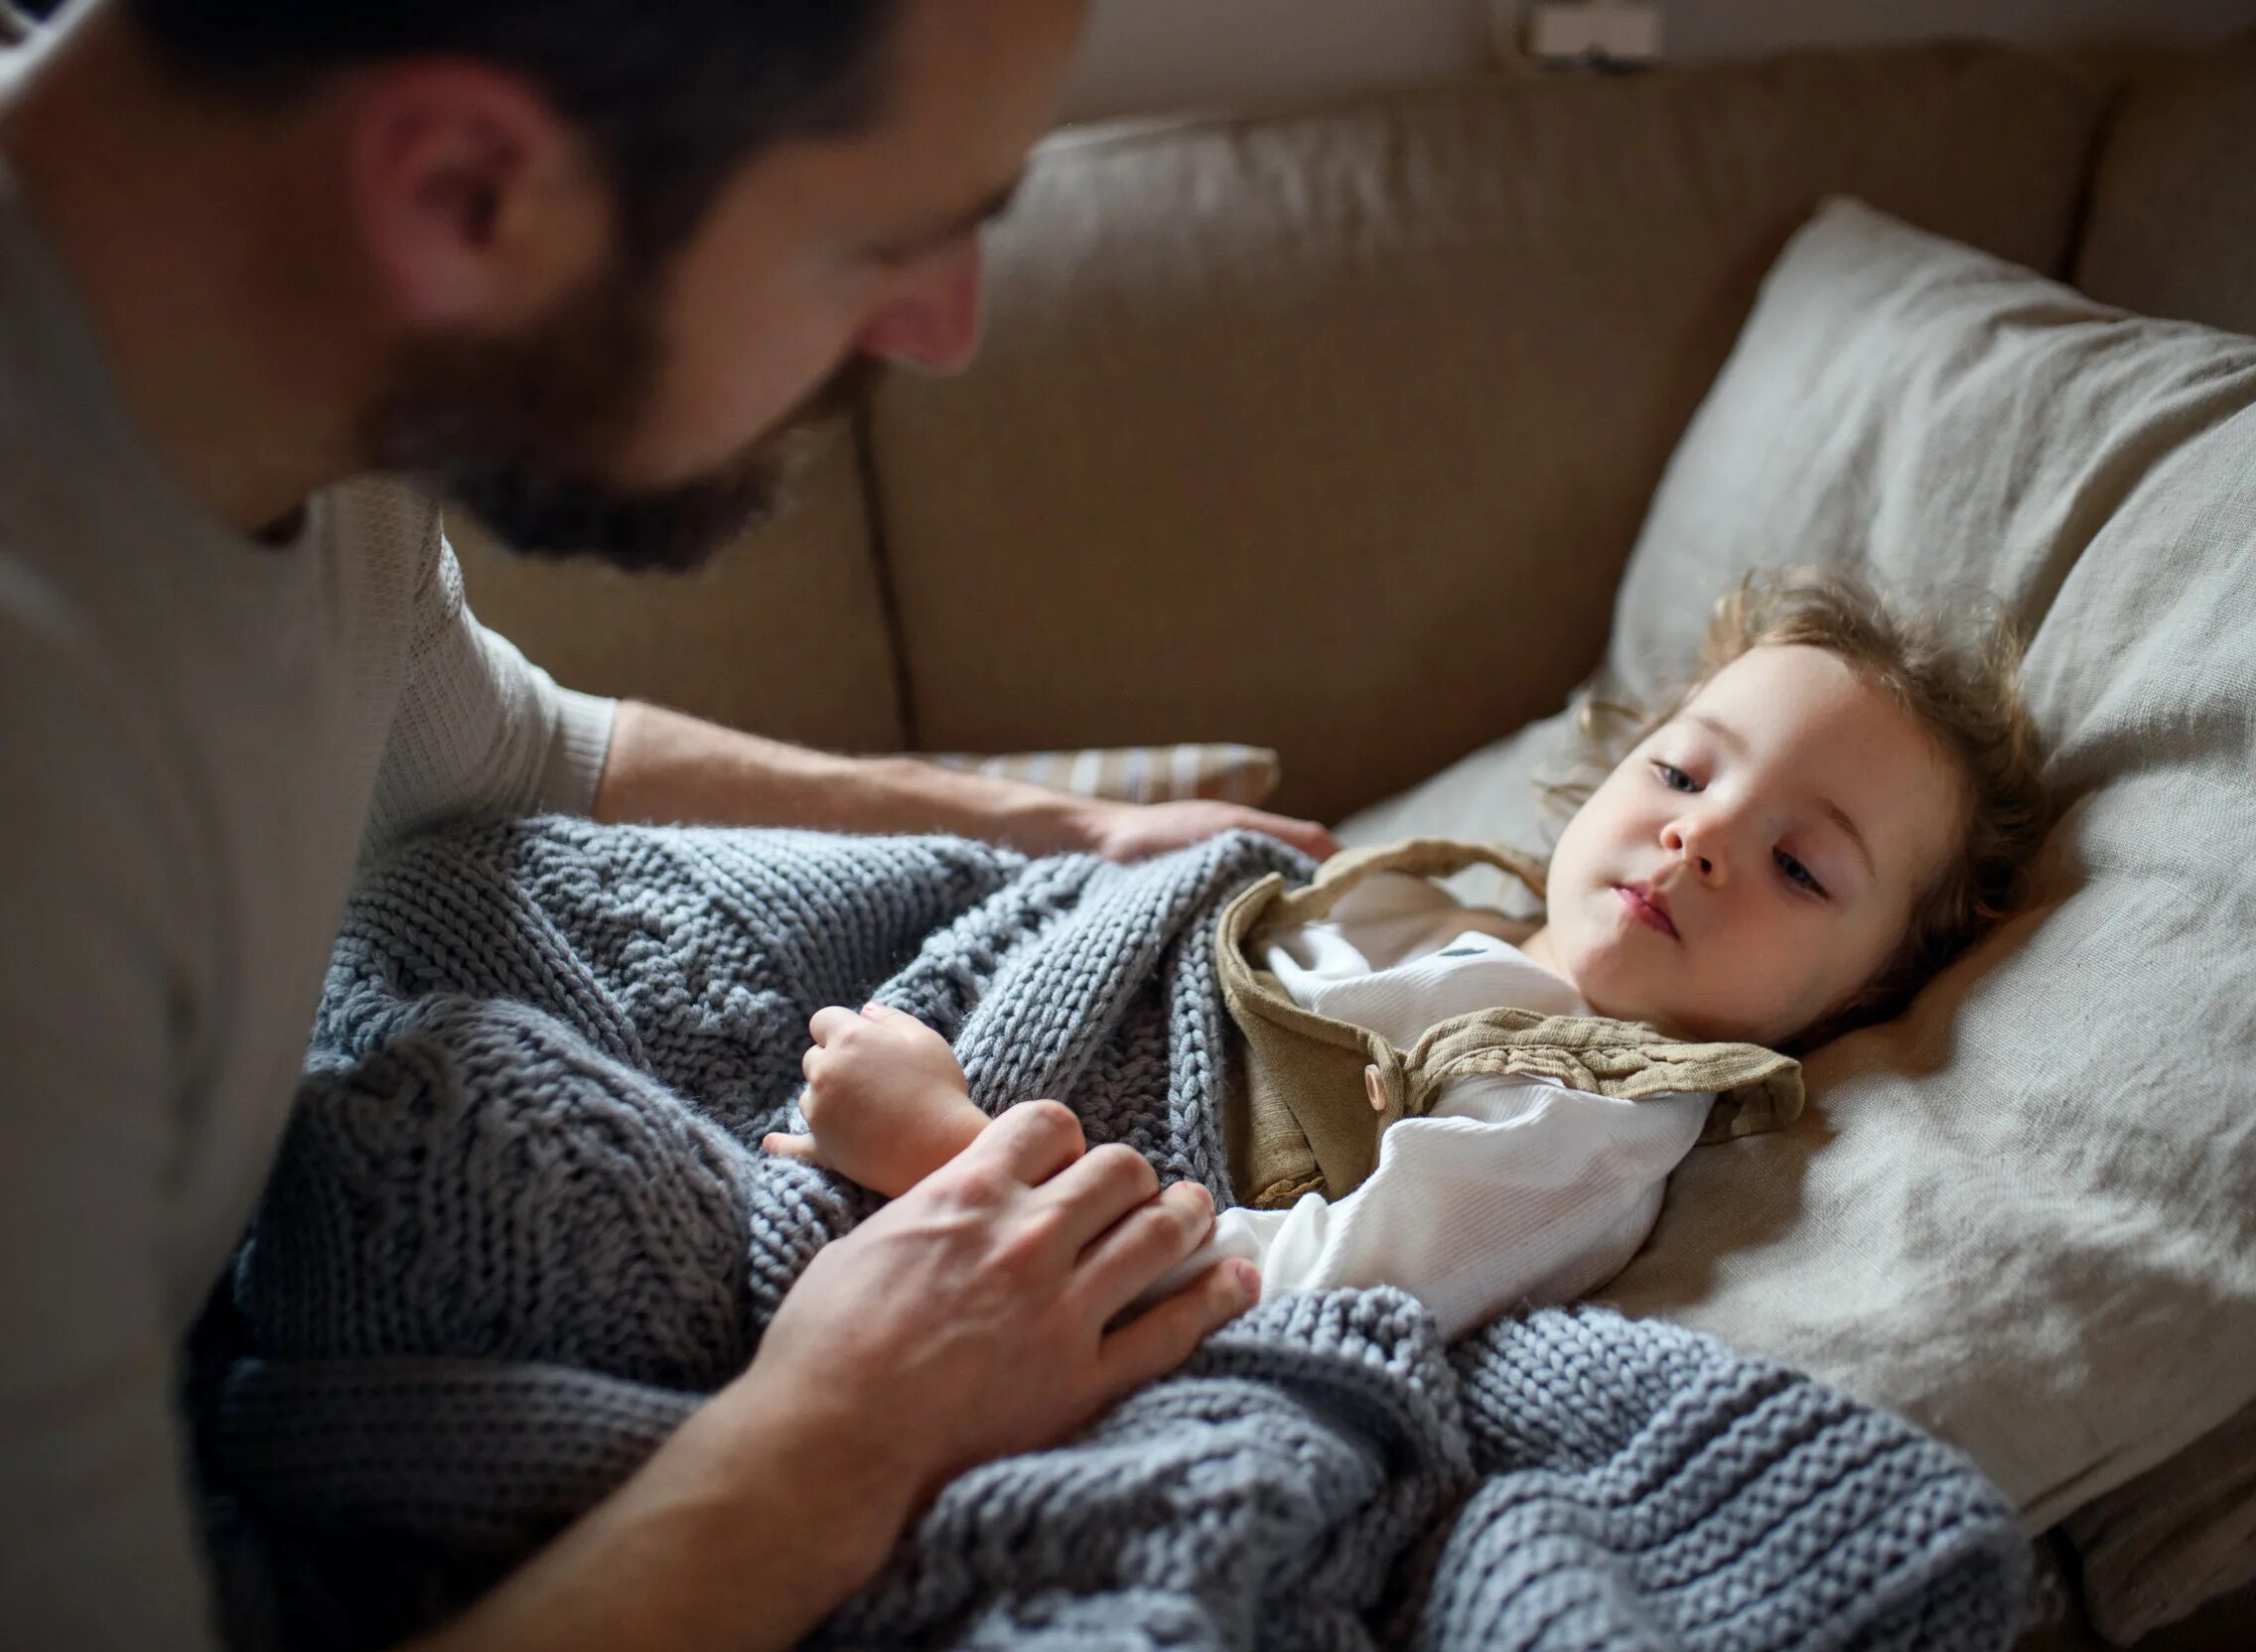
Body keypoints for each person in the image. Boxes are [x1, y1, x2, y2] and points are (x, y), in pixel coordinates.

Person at [0, 1, 1342, 1647]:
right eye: (887, 242)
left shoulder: (263, 344)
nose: (944, 329)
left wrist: (1056, 821)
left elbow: (492, 745)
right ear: (467, 193)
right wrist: (848, 1433)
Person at [768, 571, 2052, 1341]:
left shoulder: (1589, 1120)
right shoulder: (1429, 904)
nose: (1701, 833)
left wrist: (951, 1152)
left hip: (992, 1194)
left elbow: (1296, 1296)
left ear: (1860, 1000)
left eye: (1800, 865)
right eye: (1683, 767)